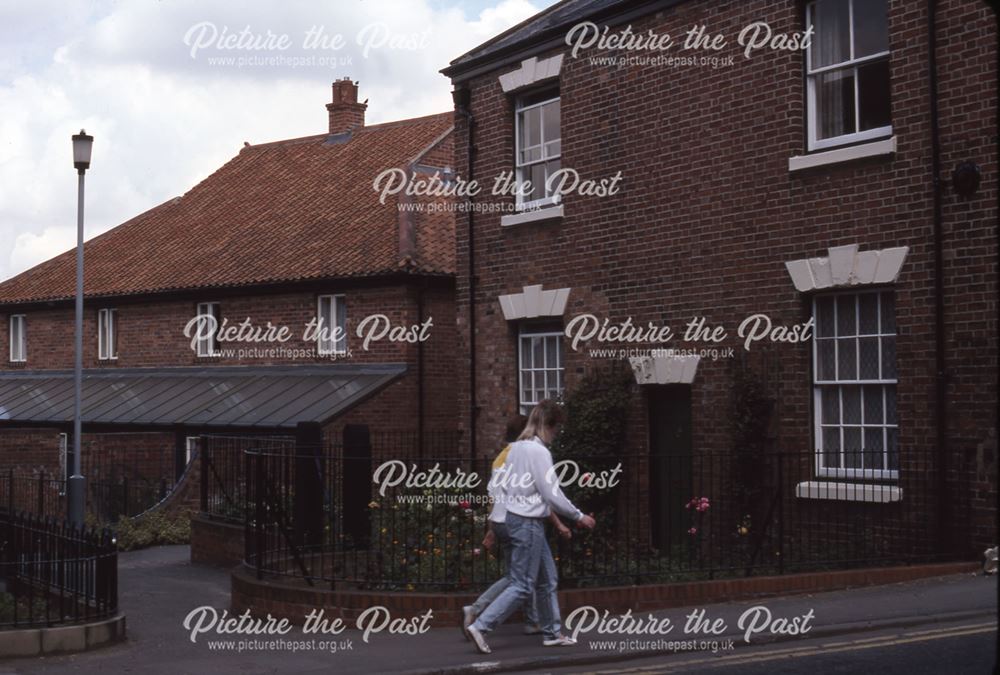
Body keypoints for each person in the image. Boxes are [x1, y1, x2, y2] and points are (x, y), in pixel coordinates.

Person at [466, 400, 596, 654]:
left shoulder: (516, 449)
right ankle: (481, 625)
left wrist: (496, 521)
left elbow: (506, 486)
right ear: (548, 425)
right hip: (527, 523)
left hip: (516, 519)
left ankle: (551, 633)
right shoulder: (539, 452)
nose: (556, 435)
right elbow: (552, 493)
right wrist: (578, 515)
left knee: (547, 579)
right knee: (522, 584)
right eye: (557, 429)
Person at [462, 415, 572, 640]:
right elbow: (536, 494)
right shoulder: (523, 455)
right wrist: (560, 522)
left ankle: (535, 623)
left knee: (526, 576)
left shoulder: (501, 458)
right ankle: (479, 614)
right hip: (520, 520)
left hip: (503, 521)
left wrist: (492, 527)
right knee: (521, 580)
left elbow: (495, 494)